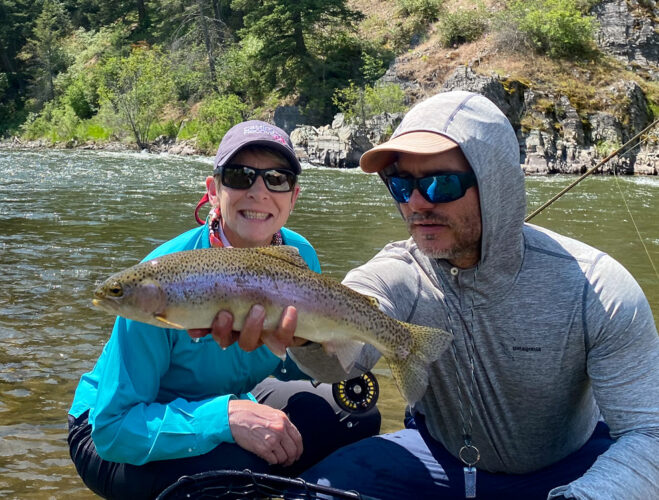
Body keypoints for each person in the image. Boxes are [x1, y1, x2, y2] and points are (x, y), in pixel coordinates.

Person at [212, 92, 659, 499]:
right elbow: (341, 360)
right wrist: (306, 335)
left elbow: (649, 434)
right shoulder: (398, 272)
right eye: (401, 185)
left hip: (569, 472)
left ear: (496, 184)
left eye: (441, 184)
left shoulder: (597, 289)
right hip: (434, 460)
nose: (417, 204)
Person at [67, 120, 380, 500]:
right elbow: (113, 430)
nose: (259, 192)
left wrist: (308, 346)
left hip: (232, 396)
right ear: (214, 191)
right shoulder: (162, 280)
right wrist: (226, 419)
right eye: (240, 176)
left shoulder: (299, 258)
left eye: (276, 179)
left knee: (353, 416)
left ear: (293, 197)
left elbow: (294, 367)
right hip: (112, 433)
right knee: (236, 472)